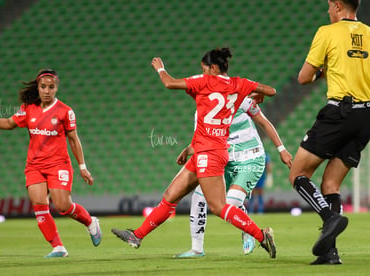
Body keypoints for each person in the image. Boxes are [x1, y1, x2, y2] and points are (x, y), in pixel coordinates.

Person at [111, 47, 278, 259]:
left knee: (218, 207)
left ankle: (261, 235)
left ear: (214, 68)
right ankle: (137, 236)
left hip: (211, 153)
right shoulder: (239, 84)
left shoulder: (204, 81)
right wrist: (256, 93)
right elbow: (271, 91)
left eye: (205, 68)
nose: (203, 71)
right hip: (204, 149)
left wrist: (160, 69)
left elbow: (169, 83)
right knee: (171, 196)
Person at [0, 69, 102, 258]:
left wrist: (82, 167)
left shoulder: (65, 111)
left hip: (58, 164)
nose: (47, 91)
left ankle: (91, 222)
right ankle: (58, 247)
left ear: (56, 88)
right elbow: (9, 123)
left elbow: (74, 139)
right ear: (38, 87)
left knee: (63, 206)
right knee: (39, 205)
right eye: (43, 87)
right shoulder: (28, 108)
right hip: (34, 166)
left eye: (51, 87)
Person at [289, 0, 370, 265]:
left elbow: (303, 77)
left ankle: (329, 218)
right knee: (331, 185)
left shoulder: (327, 32)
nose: (327, 11)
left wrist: (323, 72)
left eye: (328, 6)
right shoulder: (369, 34)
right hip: (365, 116)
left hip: (340, 113)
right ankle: (329, 252)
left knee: (298, 174)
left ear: (337, 5)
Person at [174, 100, 292, 258]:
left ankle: (249, 230)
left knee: (228, 205)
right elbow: (201, 140)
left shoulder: (240, 98)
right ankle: (197, 249)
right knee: (198, 196)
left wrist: (281, 149)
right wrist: (189, 149)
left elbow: (264, 121)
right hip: (224, 160)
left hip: (250, 158)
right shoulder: (201, 111)